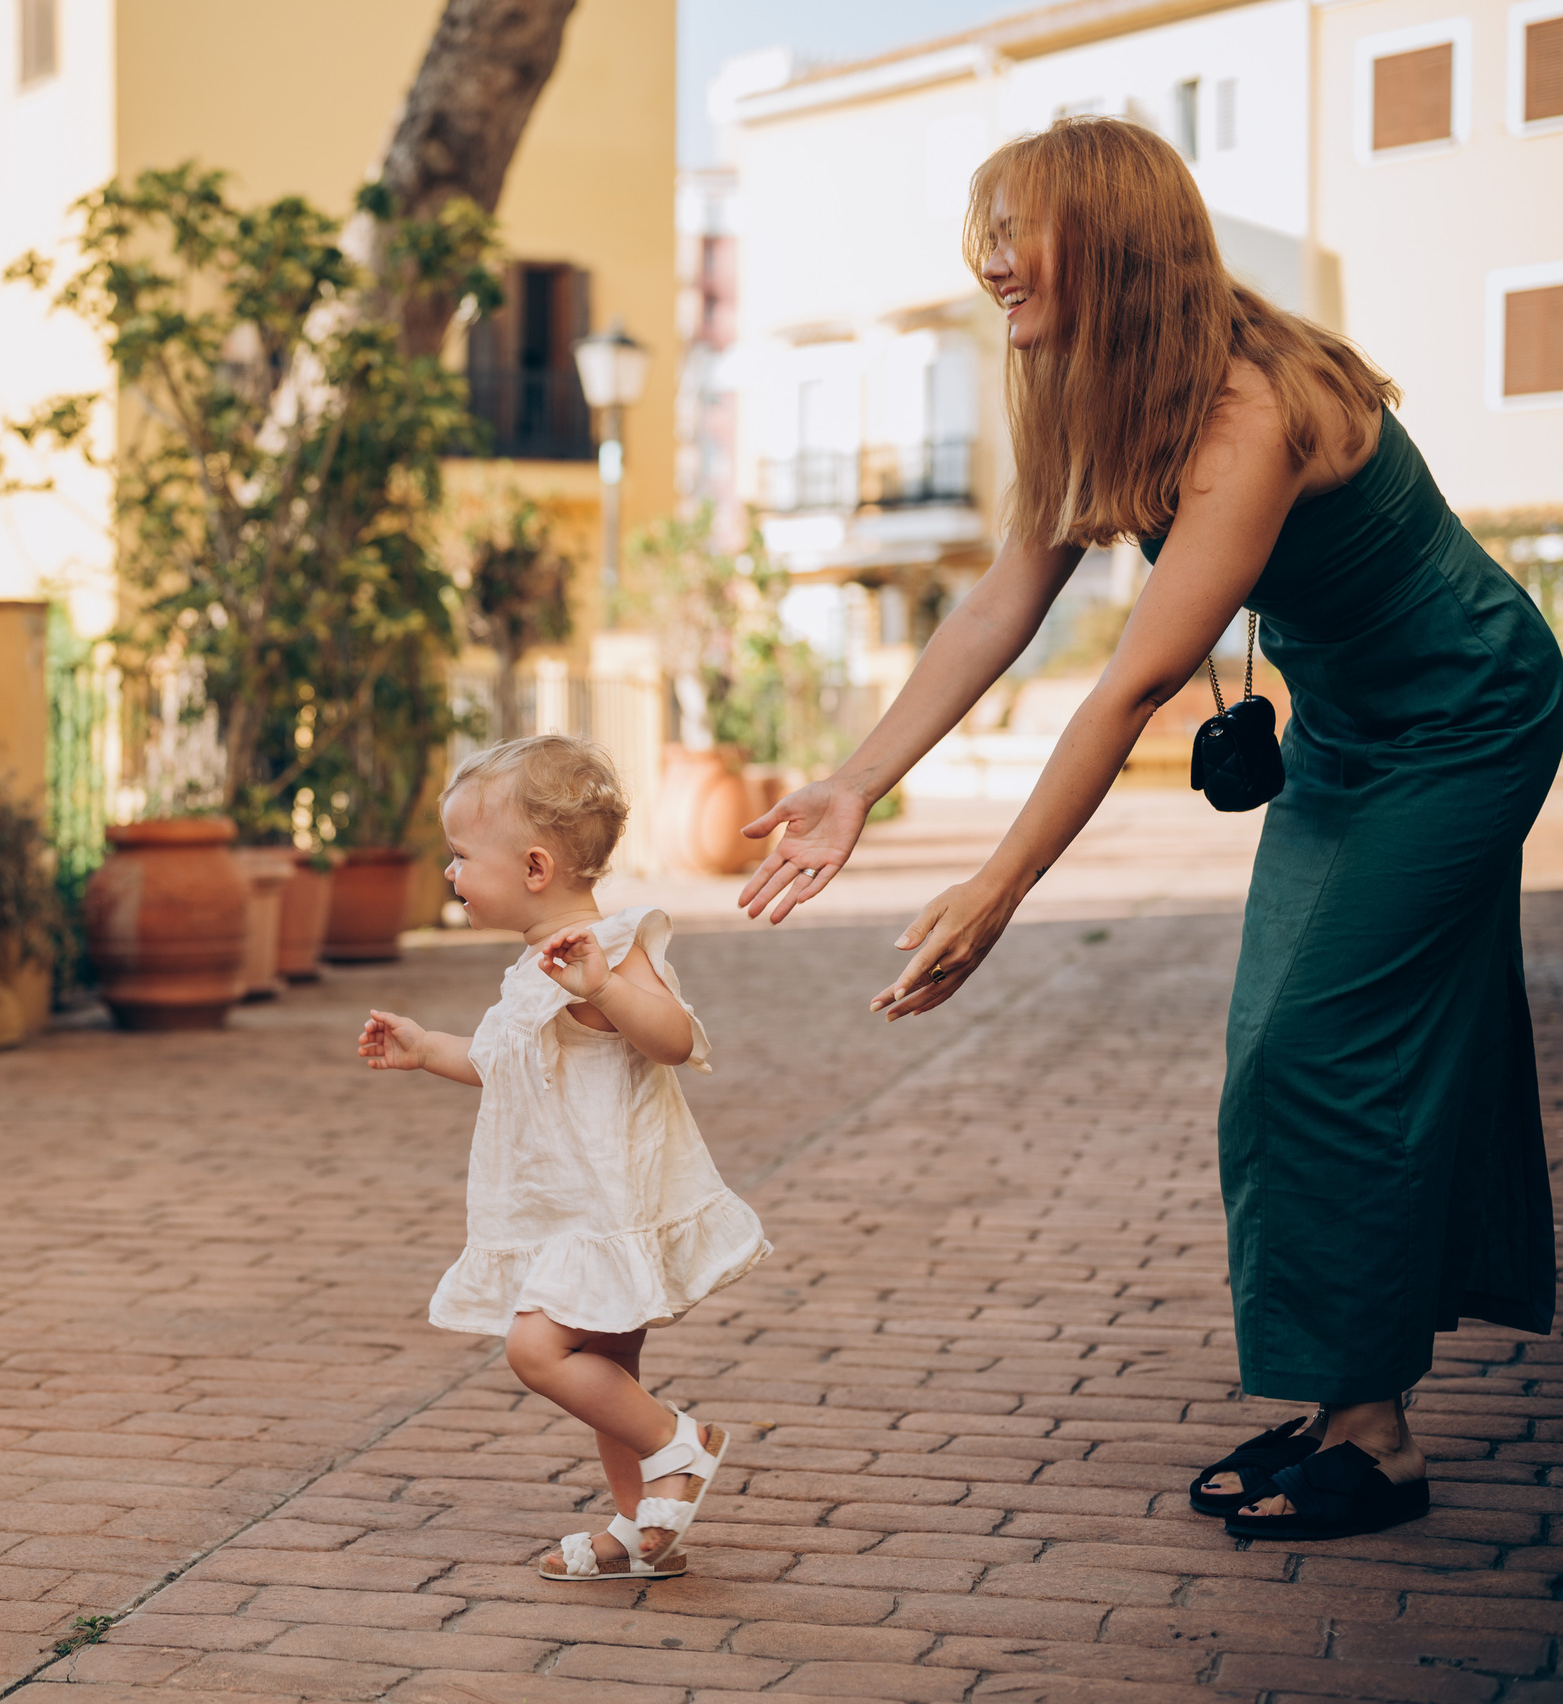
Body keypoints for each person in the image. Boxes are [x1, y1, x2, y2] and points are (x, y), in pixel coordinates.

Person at [736, 118, 1563, 1543]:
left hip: (1469, 718)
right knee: (1292, 1048)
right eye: (983, 231)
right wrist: (855, 784)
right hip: (1353, 732)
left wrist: (1000, 887)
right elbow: (1008, 599)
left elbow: (1132, 684)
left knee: (1317, 1048)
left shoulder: (1252, 411)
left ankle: (1371, 1435)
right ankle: (1349, 1397)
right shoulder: (1091, 394)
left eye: (1020, 231)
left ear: (1112, 241)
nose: (992, 263)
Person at [357, 734, 769, 1580]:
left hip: (607, 1211)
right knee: (608, 1366)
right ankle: (641, 1527)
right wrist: (425, 1046)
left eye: (462, 856)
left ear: (536, 868)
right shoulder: (534, 967)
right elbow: (508, 1067)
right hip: (565, 1213)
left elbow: (672, 1039)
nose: (451, 873)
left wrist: (605, 988)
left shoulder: (608, 948)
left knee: (537, 1351)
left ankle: (681, 1447)